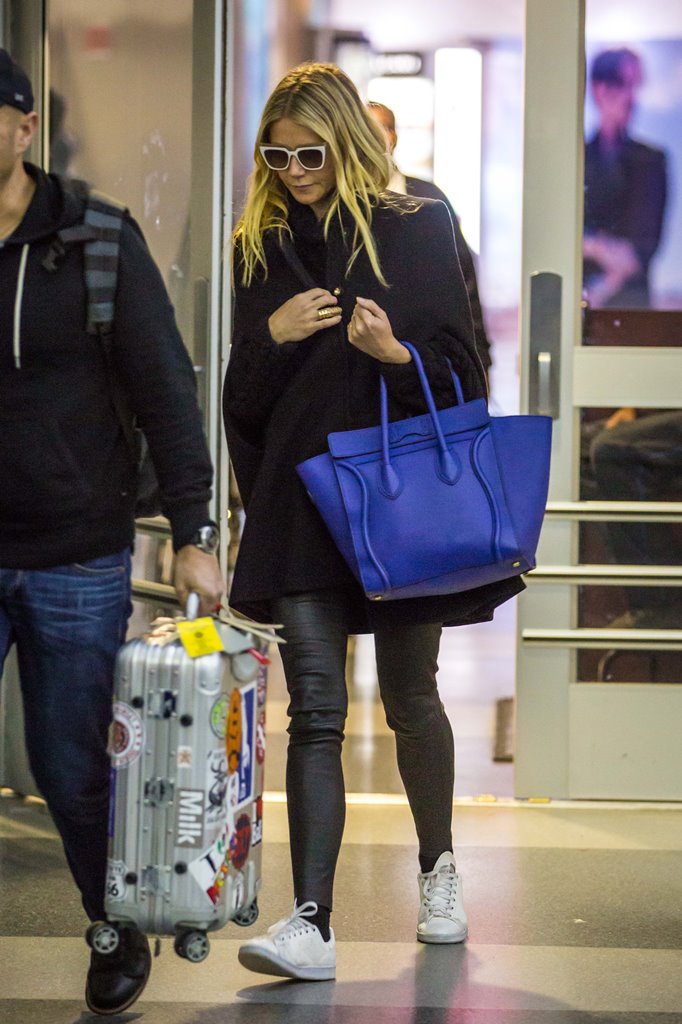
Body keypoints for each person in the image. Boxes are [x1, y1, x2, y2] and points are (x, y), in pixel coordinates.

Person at [223, 61, 523, 983]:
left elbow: (463, 375)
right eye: (277, 156)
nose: (293, 171)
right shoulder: (259, 245)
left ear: (347, 141)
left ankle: (439, 870)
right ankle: (311, 921)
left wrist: (394, 355)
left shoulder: (416, 225)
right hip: (301, 499)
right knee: (314, 709)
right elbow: (243, 402)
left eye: (309, 154)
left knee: (410, 698)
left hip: (399, 497)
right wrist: (270, 339)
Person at [0, 50, 224, 1015]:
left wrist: (195, 528)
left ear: (24, 129)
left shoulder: (94, 237)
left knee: (72, 766)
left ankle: (112, 922)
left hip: (74, 550)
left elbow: (165, 389)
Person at [367, 99, 492, 376]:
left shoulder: (429, 201)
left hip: (426, 356)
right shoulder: (343, 204)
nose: (373, 140)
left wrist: (480, 361)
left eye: (380, 129)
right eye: (364, 131)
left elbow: (464, 283)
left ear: (392, 137)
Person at [583, 47, 667, 309]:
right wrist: (599, 247)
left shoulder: (651, 160)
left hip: (632, 309)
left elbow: (643, 248)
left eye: (635, 86)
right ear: (598, 88)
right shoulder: (575, 159)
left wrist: (598, 289)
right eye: (621, 84)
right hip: (582, 310)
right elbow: (560, 232)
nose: (630, 97)